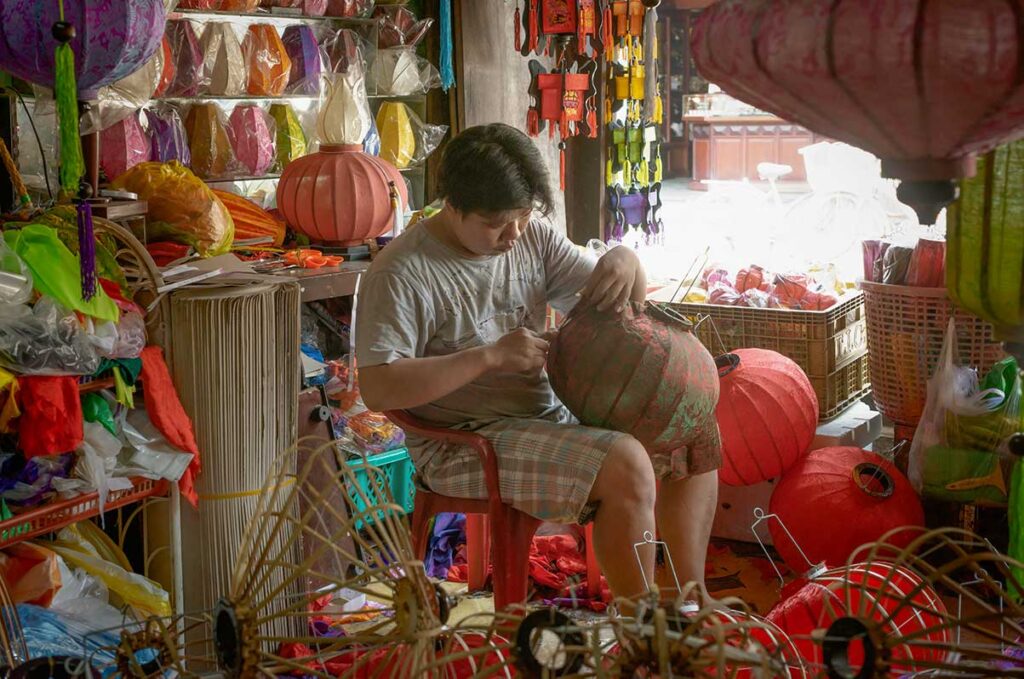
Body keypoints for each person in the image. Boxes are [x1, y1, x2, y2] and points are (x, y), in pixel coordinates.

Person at [356, 123, 720, 603]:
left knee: (691, 425)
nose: (514, 234)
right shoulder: (403, 272)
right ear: (452, 204)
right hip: (464, 441)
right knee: (626, 462)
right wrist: (488, 358)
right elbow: (378, 387)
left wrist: (626, 260)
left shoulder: (532, 238)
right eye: (495, 223)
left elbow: (614, 306)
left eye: (524, 216)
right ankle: (642, 626)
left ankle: (686, 600)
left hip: (545, 420)